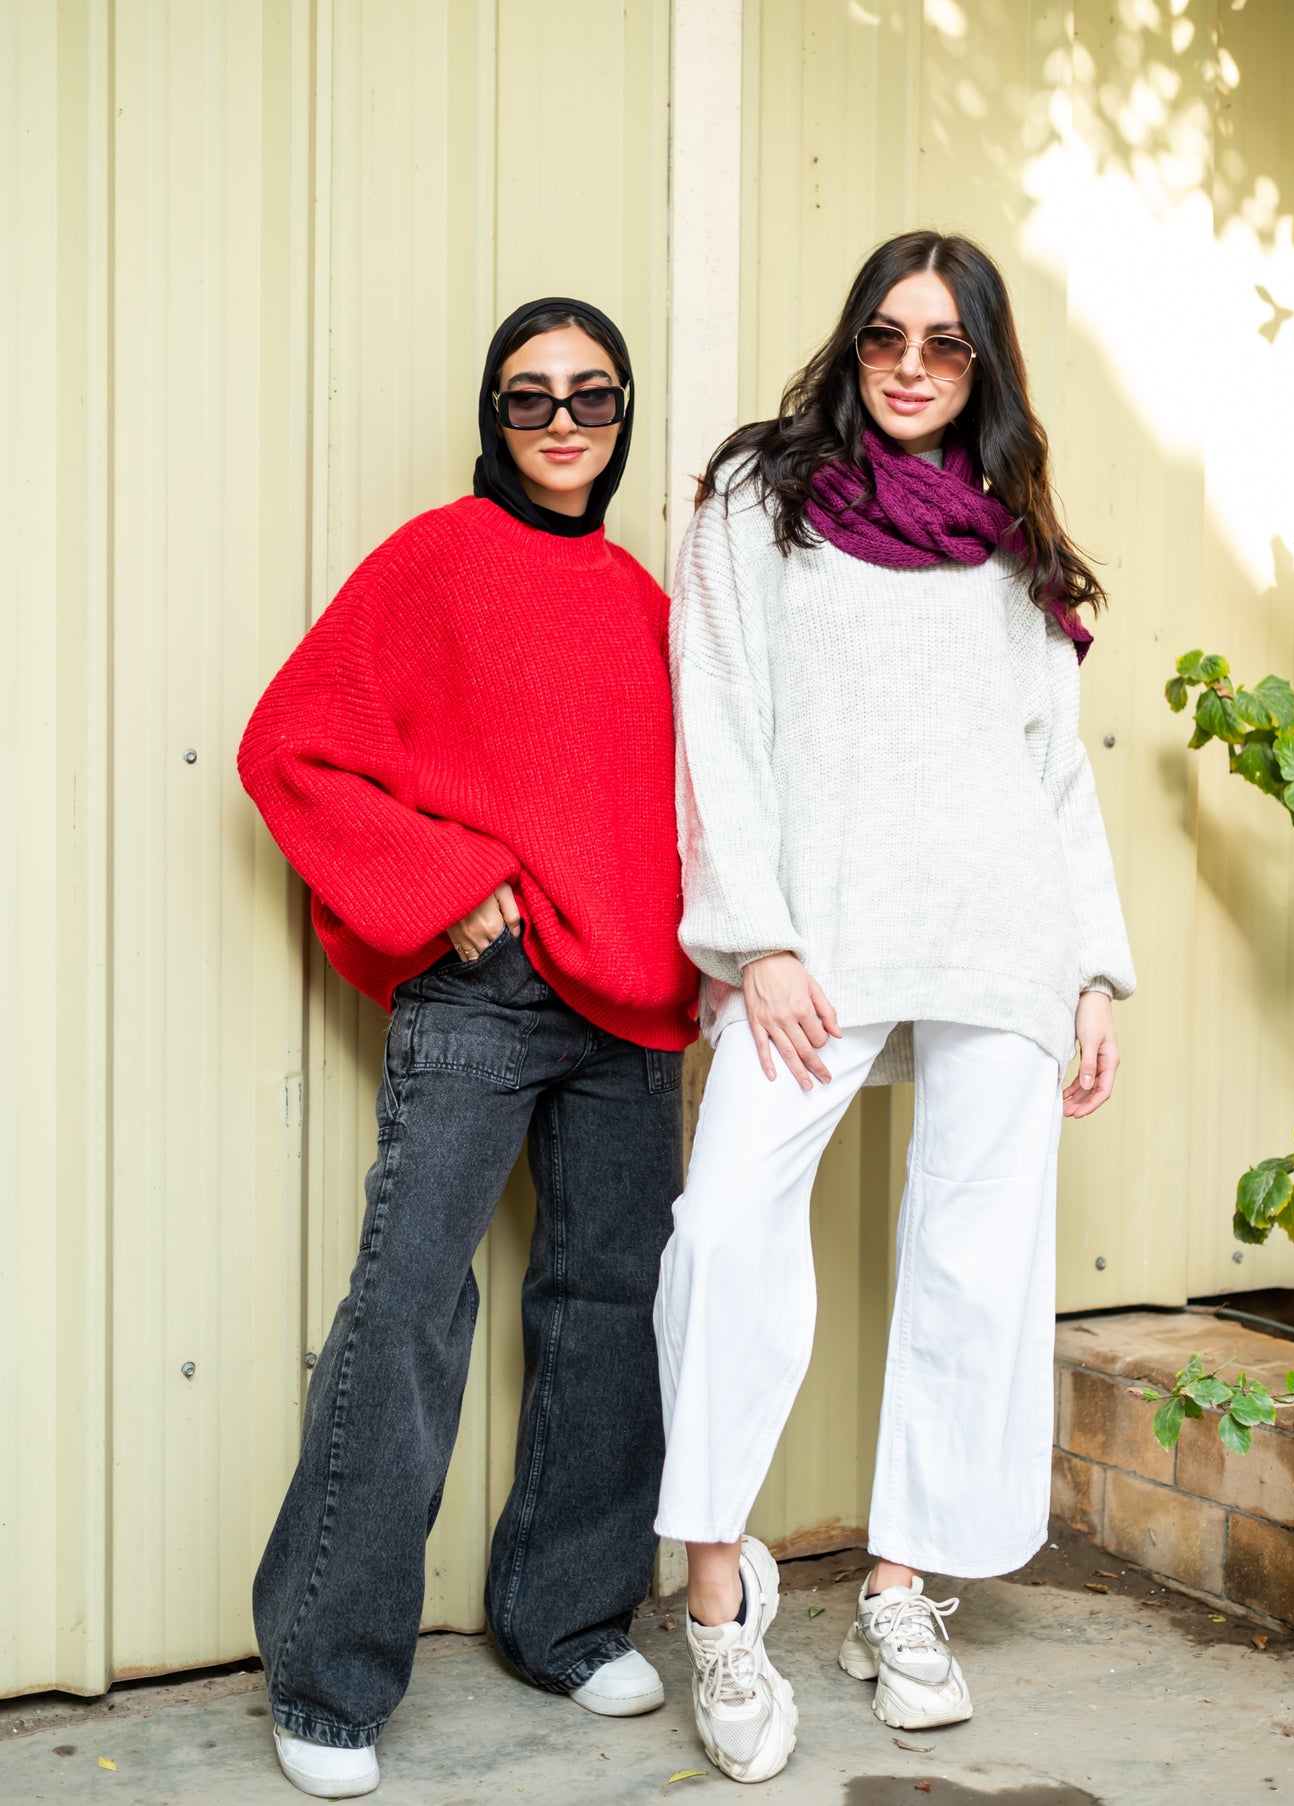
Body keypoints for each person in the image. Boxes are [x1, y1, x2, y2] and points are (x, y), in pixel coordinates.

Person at [655, 231, 1135, 1784]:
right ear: (849, 346)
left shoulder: (1010, 539)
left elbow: (1048, 768)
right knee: (725, 1224)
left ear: (983, 364)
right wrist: (755, 939)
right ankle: (718, 1598)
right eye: (883, 338)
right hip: (818, 936)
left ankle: (899, 1584)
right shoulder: (757, 500)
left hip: (999, 930)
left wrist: (1089, 967)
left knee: (973, 1251)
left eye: (943, 343)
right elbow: (715, 722)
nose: (911, 366)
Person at [238, 297, 696, 1799]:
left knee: (606, 1304)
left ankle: (563, 1618)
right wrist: (445, 891)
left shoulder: (641, 596)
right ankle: (324, 1675)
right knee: (410, 1308)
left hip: (632, 1004)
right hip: (487, 1000)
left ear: (622, 412)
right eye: (528, 400)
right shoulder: (433, 560)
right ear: (490, 417)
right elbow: (288, 744)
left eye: (591, 397)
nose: (562, 424)